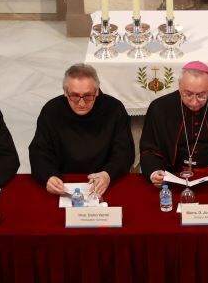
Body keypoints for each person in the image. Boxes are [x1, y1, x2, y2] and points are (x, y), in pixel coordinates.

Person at [29, 63, 134, 198]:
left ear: (97, 91)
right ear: (65, 92)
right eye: (74, 96)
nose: (81, 103)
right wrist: (48, 176)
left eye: (88, 96)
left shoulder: (114, 109)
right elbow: (39, 151)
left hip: (105, 182)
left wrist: (108, 174)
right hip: (63, 183)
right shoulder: (51, 110)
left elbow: (124, 151)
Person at [139, 60, 208, 187]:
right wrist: (154, 172)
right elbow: (149, 149)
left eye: (201, 95)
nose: (194, 102)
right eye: (188, 94)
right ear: (179, 88)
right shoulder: (159, 108)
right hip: (171, 178)